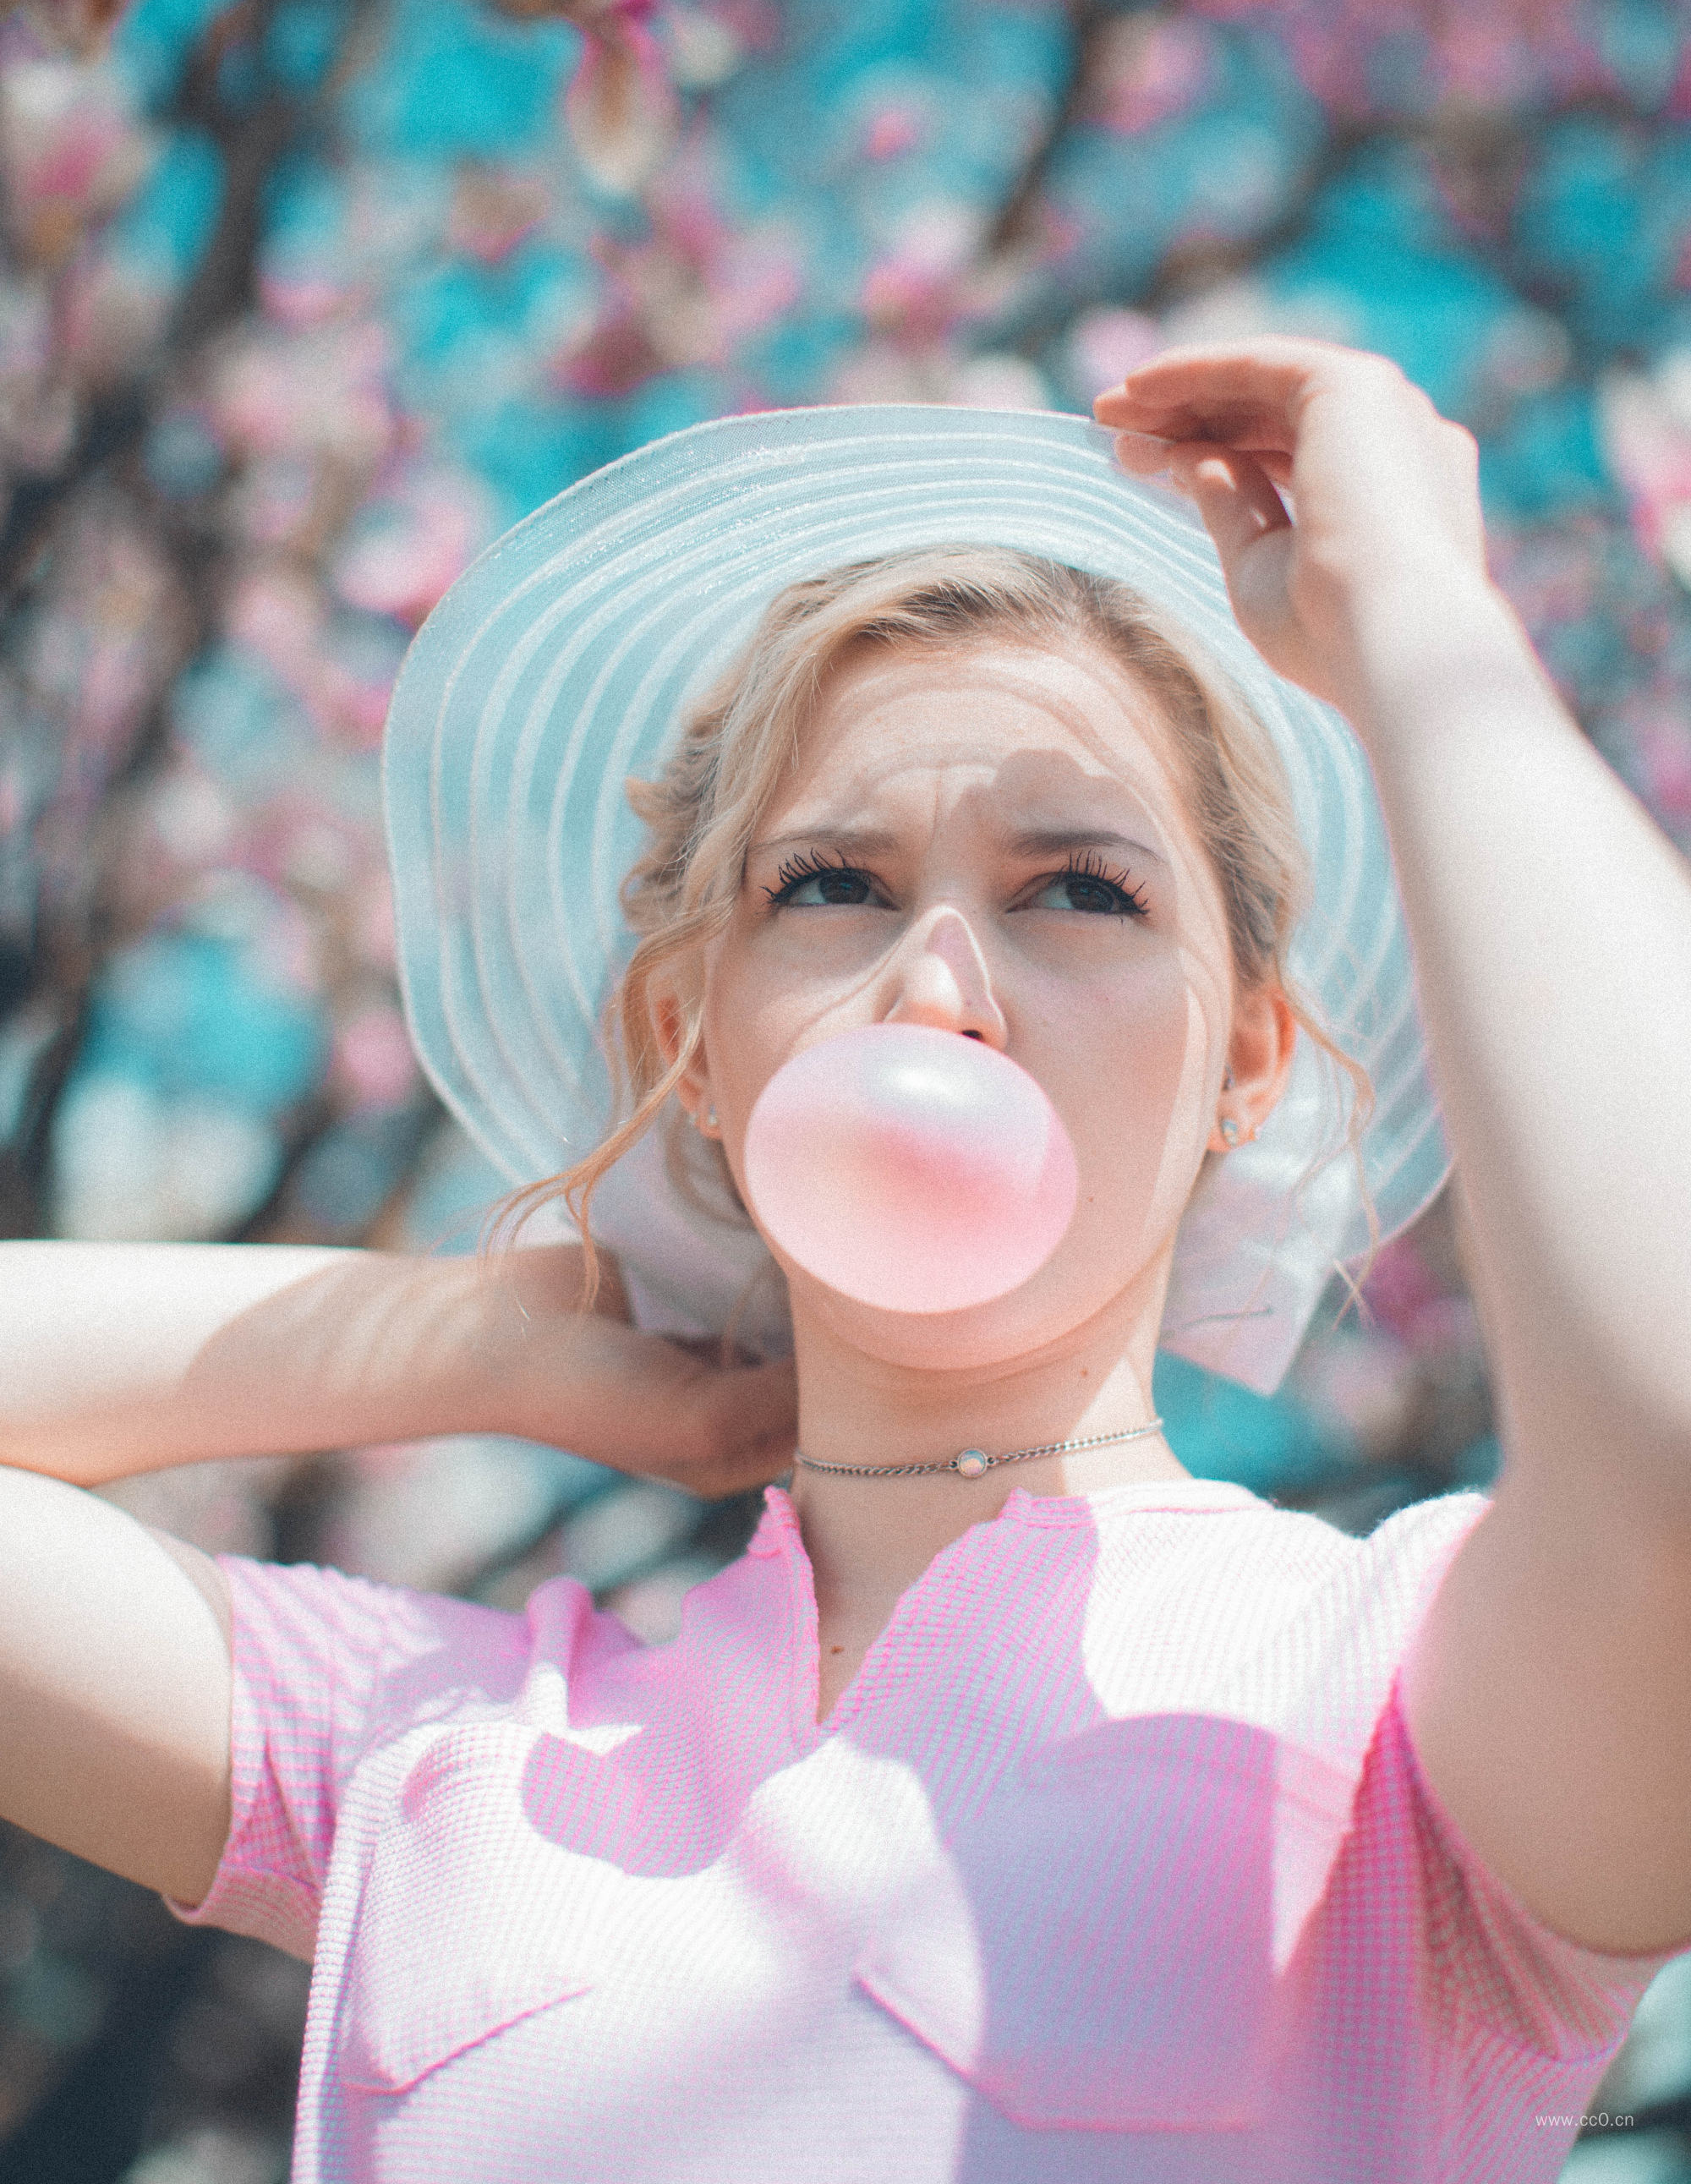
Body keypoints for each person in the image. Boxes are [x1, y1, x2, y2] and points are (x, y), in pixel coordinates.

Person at [3, 338, 1688, 2183]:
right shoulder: (434, 1755)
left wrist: (1417, 622)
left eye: (1079, 889)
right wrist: (490, 1333)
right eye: (830, 887)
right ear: (690, 1046)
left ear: (1251, 1061)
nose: (937, 984)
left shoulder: (1403, 1713)